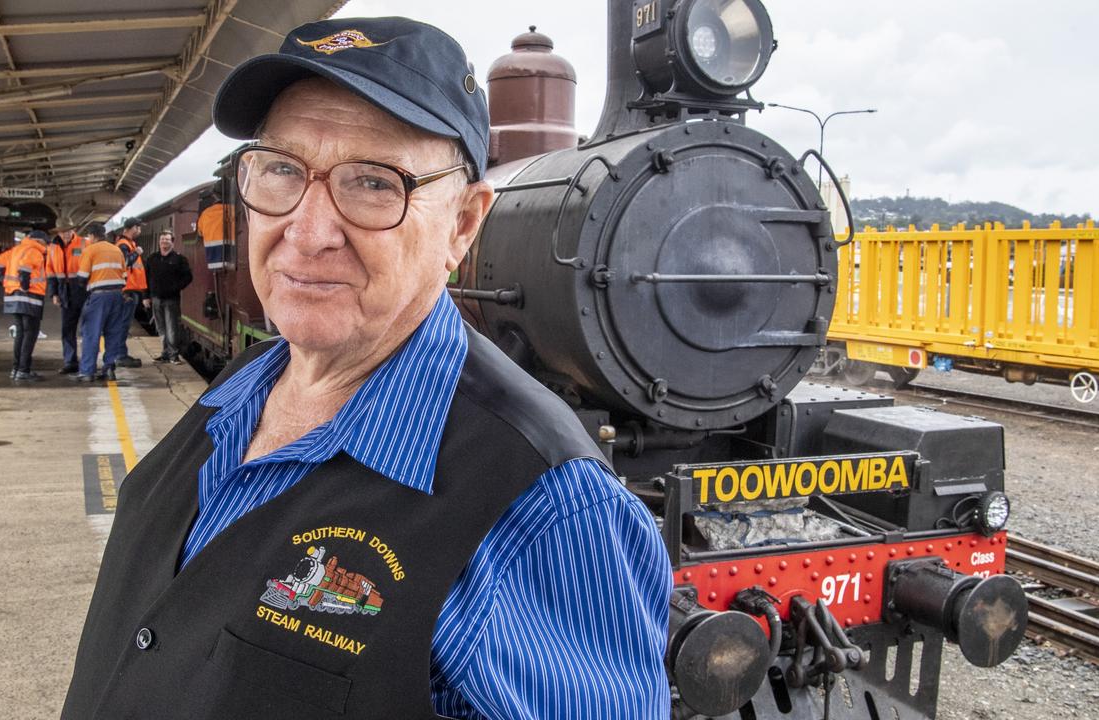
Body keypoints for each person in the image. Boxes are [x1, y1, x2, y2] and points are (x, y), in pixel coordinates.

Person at [62, 17, 669, 720]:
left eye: (375, 184)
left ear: (464, 224)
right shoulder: (239, 386)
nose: (309, 232)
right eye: (283, 170)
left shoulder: (546, 509)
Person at [71, 222, 128, 382]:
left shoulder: (90, 250)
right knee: (113, 333)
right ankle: (109, 368)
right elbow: (125, 276)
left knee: (91, 333)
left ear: (91, 236)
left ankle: (87, 371)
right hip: (117, 296)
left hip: (98, 297)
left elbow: (82, 277)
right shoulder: (116, 249)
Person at [3, 230, 49, 382]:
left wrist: (10, 284)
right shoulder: (34, 251)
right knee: (30, 333)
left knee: (20, 333)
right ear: (39, 241)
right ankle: (23, 370)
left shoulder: (16, 250)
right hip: (29, 297)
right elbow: (24, 270)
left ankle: (16, 369)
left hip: (12, 296)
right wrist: (24, 285)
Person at [143, 229, 193, 363]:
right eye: (162, 240)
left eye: (167, 239)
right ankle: (165, 353)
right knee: (161, 328)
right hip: (156, 299)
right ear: (159, 242)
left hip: (172, 299)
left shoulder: (179, 259)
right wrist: (145, 296)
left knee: (172, 328)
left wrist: (175, 288)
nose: (164, 242)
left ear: (172, 242)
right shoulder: (152, 259)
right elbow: (145, 278)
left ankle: (173, 355)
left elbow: (188, 277)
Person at [46, 219, 87, 374]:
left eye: (69, 230)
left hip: (83, 290)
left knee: (86, 329)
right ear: (58, 232)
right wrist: (54, 293)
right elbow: (50, 272)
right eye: (64, 231)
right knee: (67, 329)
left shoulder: (84, 243)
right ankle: (70, 362)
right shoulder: (52, 248)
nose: (67, 233)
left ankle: (87, 361)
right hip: (65, 291)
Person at [113, 217, 148, 368]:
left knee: (124, 324)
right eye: (139, 228)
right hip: (127, 291)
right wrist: (137, 253)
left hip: (130, 289)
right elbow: (124, 263)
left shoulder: (128, 244)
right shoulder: (123, 245)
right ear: (133, 228)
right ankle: (120, 356)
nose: (140, 231)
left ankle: (121, 353)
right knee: (123, 324)